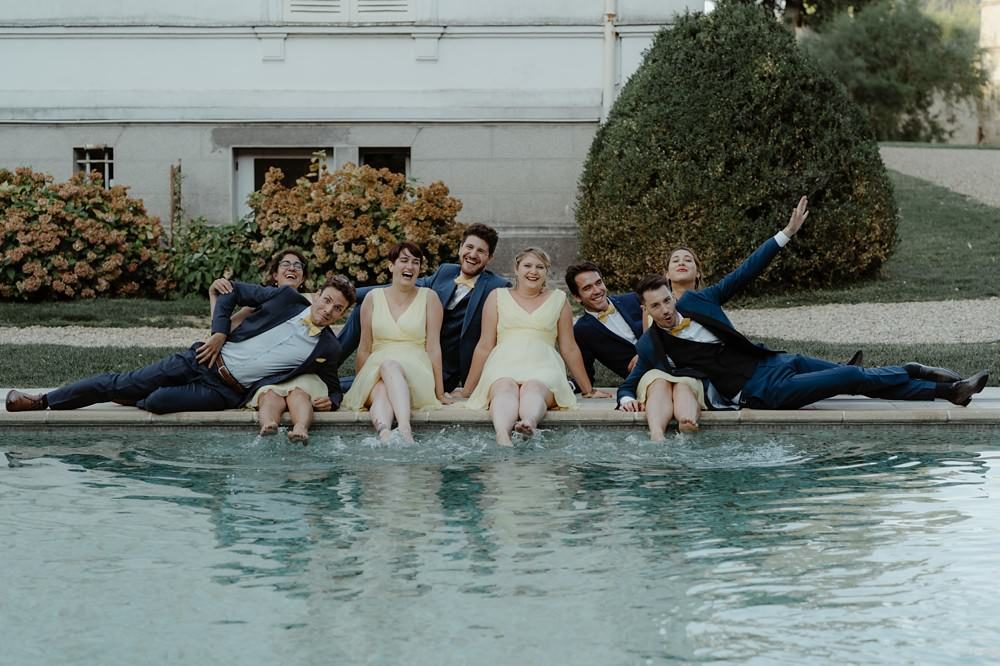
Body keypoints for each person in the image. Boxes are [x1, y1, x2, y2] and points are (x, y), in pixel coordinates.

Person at [618, 196, 989, 414]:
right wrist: (624, 399)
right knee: (850, 376)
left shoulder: (700, 300)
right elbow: (631, 383)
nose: (666, 309)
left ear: (673, 295)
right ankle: (923, 376)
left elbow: (746, 271)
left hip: (773, 362)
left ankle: (948, 390)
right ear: (647, 310)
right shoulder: (653, 345)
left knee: (857, 378)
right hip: (760, 392)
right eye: (657, 306)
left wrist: (786, 234)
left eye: (667, 300)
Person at [5, 275, 357, 416]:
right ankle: (42, 400)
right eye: (326, 300)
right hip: (203, 359)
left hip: (225, 392)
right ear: (317, 295)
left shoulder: (327, 347)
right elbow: (231, 290)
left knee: (157, 402)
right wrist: (219, 333)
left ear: (343, 313)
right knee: (122, 382)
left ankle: (137, 396)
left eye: (337, 308)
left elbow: (331, 383)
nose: (328, 310)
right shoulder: (286, 299)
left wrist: (334, 399)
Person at [338, 223, 510, 395]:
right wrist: (346, 294)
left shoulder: (497, 287)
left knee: (366, 383)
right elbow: (399, 287)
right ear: (460, 248)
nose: (472, 254)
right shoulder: (446, 272)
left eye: (481, 251)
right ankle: (330, 363)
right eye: (469, 247)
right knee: (364, 307)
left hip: (442, 370)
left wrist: (469, 389)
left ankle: (334, 383)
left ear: (489, 258)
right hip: (413, 355)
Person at [461, 247, 608, 445]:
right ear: (517, 269)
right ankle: (503, 435)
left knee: (534, 388)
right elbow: (484, 345)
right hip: (503, 364)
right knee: (504, 387)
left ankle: (529, 422)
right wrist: (466, 390)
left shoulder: (558, 299)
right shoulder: (497, 296)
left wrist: (587, 389)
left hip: (544, 366)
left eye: (540, 267)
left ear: (546, 272)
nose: (533, 271)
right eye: (527, 266)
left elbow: (569, 348)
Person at [208, 248, 328, 442]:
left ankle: (300, 428)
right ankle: (269, 426)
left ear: (303, 278)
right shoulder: (262, 302)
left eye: (298, 266)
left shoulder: (316, 302)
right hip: (267, 373)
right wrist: (213, 296)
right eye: (286, 264)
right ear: (275, 275)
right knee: (270, 395)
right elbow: (224, 333)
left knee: (299, 393)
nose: (292, 268)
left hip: (296, 371)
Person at [342, 242, 449, 443]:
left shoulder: (430, 298)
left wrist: (440, 393)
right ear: (391, 266)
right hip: (376, 369)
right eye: (404, 260)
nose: (410, 266)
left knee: (390, 366)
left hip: (415, 371)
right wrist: (361, 383)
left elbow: (434, 347)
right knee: (381, 389)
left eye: (415, 262)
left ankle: (404, 429)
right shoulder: (372, 299)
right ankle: (386, 435)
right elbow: (364, 348)